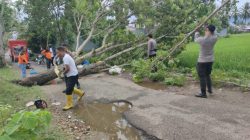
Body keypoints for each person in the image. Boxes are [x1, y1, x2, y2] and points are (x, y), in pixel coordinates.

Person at [194, 25, 217, 98]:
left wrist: (196, 31)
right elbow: (212, 33)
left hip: (202, 61)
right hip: (210, 60)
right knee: (207, 75)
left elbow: (196, 39)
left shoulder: (204, 40)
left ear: (208, 31)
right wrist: (207, 28)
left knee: (202, 77)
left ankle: (203, 93)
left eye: (206, 30)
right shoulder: (215, 38)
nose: (205, 31)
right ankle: (209, 89)